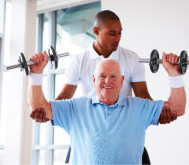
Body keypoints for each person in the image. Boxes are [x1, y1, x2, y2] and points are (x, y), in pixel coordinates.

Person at [31, 10, 177, 164]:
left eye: (120, 33)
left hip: (123, 129)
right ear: (96, 31)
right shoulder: (79, 60)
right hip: (88, 132)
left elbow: (143, 97)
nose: (117, 38)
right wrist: (46, 112)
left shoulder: (131, 59)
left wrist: (161, 112)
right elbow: (63, 98)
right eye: (112, 34)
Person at [28, 52, 186, 165]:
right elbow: (39, 107)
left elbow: (176, 109)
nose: (107, 81)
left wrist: (174, 74)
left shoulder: (139, 107)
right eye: (102, 76)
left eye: (113, 76)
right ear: (94, 79)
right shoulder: (75, 108)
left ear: (122, 80)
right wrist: (36, 74)